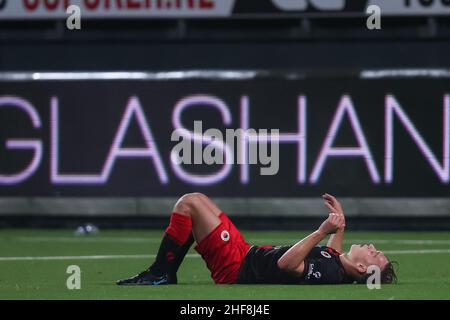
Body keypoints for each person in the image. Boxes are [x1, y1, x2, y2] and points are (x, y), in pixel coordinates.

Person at [116, 193, 397, 285]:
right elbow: (331, 253)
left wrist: (322, 230)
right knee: (197, 202)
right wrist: (341, 223)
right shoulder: (337, 266)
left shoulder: (330, 272)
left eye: (375, 254)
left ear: (362, 269)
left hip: (236, 266)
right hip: (245, 252)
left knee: (189, 203)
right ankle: (166, 273)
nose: (373, 247)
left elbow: (287, 264)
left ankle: (160, 273)